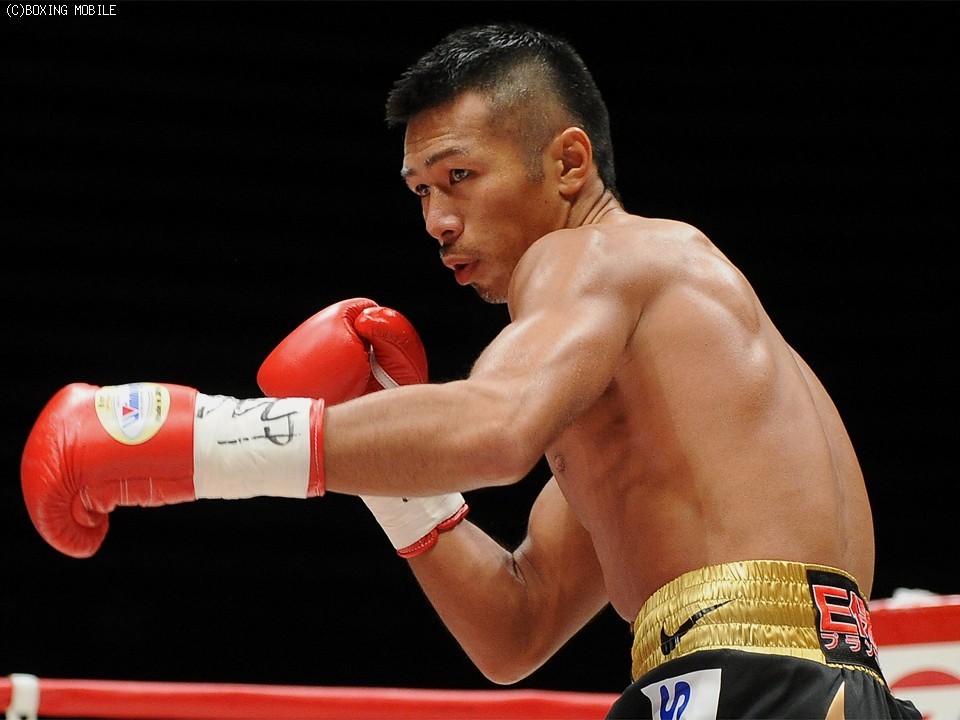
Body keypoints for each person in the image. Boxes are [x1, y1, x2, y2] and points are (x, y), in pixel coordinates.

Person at [20, 22, 920, 719]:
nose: (436, 221)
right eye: (420, 190)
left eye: (459, 176)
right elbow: (516, 627)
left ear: (568, 162)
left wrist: (196, 443)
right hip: (817, 686)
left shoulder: (602, 254)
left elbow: (493, 430)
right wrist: (393, 481)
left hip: (747, 686)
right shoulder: (662, 399)